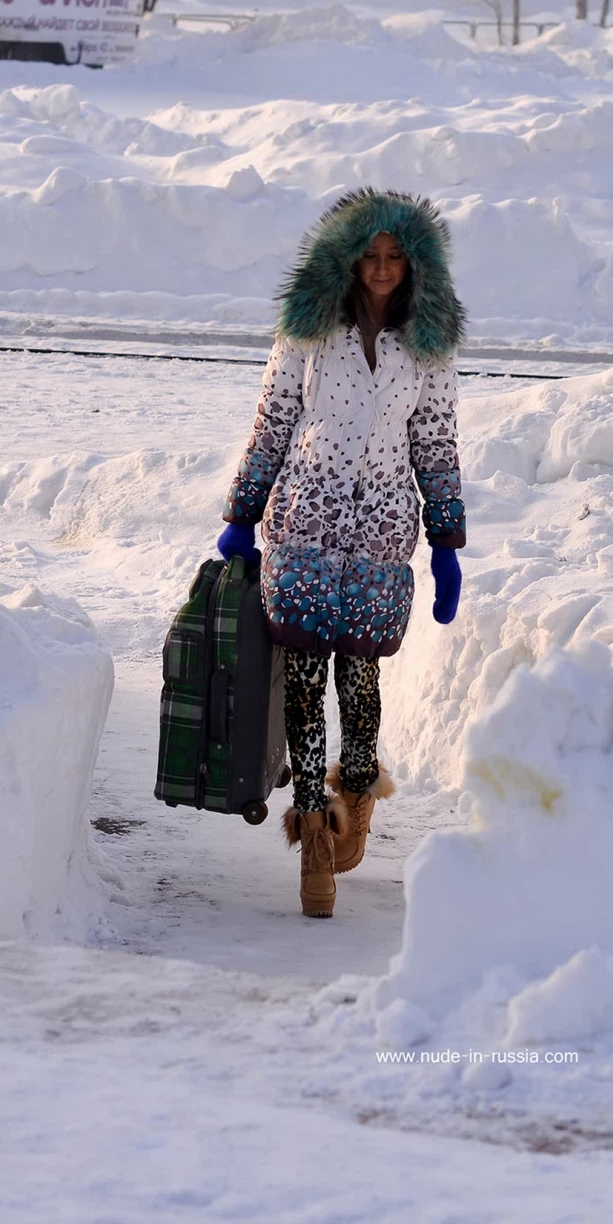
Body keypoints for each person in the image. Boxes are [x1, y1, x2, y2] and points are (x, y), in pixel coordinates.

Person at [218, 188, 468, 919]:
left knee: (359, 685)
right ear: (350, 258)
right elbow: (272, 421)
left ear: (413, 264)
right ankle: (314, 837)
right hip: (303, 524)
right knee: (301, 683)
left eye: (396, 257)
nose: (383, 268)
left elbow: (437, 442)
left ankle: (356, 791)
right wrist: (243, 511)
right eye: (372, 255)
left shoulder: (429, 342)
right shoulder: (309, 330)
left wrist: (447, 541)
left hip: (381, 537)